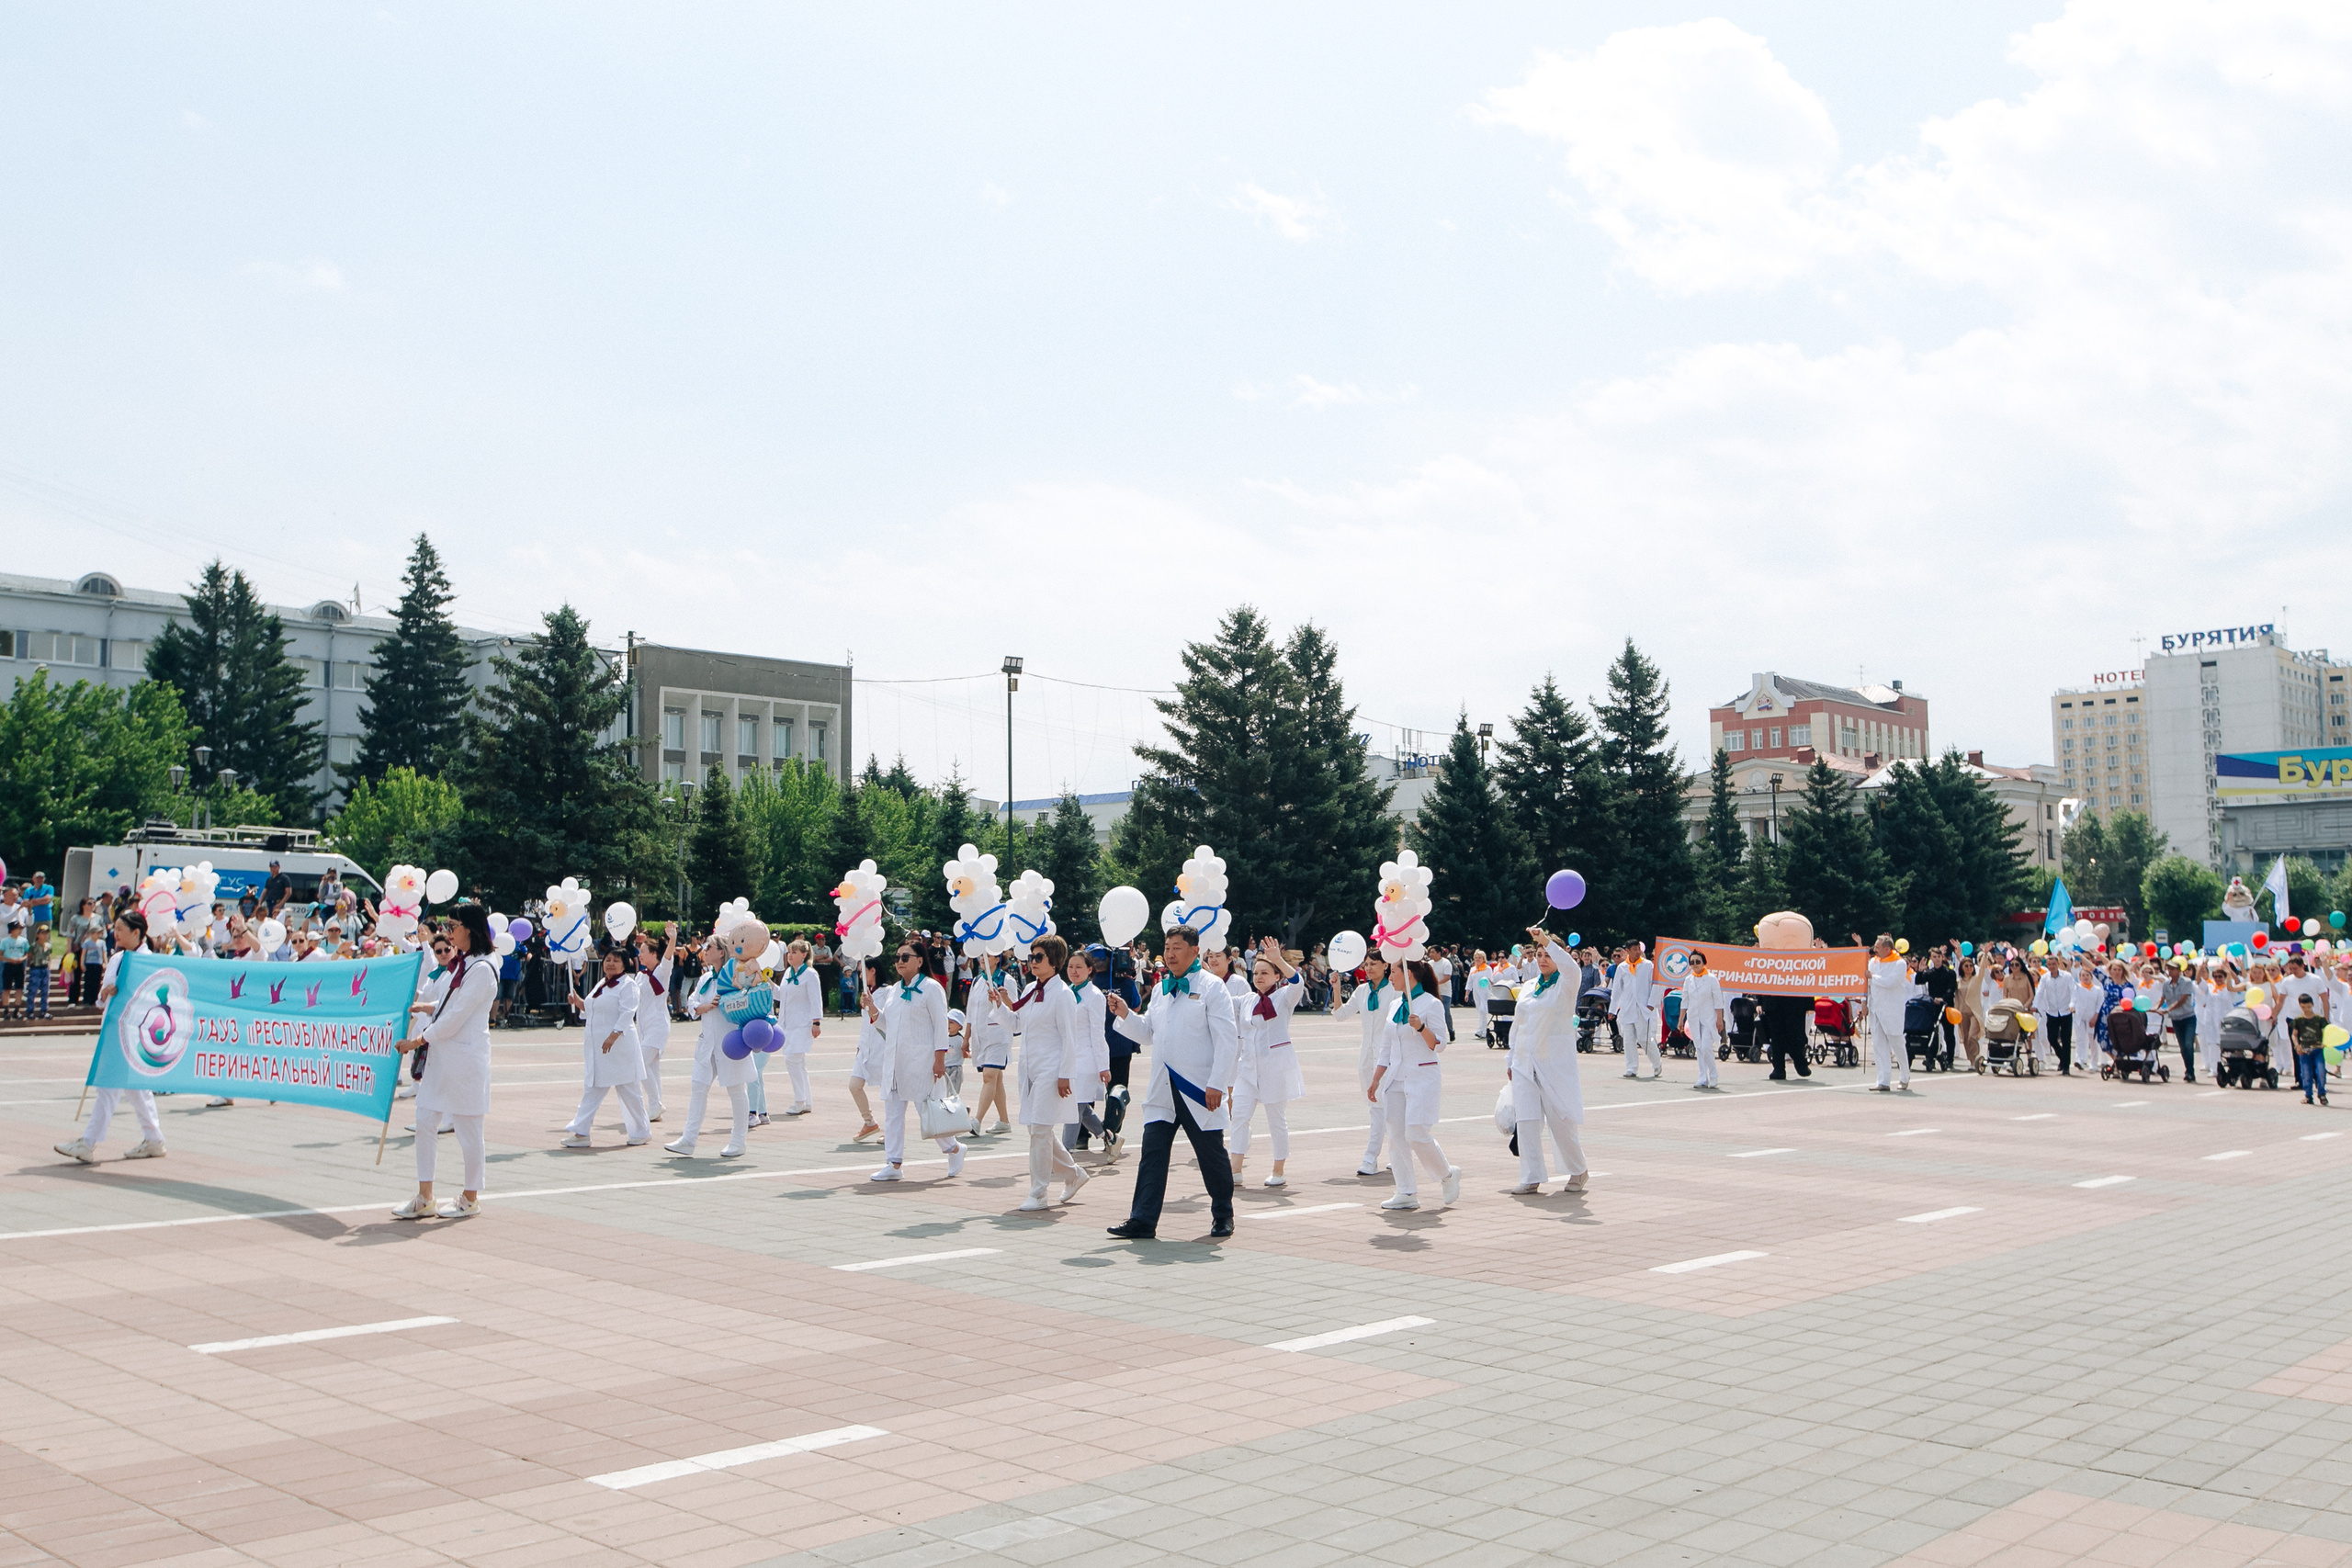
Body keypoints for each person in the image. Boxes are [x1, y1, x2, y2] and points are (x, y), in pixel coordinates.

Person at [1105, 925, 1239, 1240]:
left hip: (1198, 1088)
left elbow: (1227, 1039)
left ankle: (1223, 1213)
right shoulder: (1164, 989)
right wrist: (1125, 1014)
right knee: (1152, 1153)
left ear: (1195, 951)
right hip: (1163, 1088)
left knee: (1211, 1155)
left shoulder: (1211, 987)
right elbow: (1149, 1033)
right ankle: (1142, 1220)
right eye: (1167, 947)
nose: (1170, 954)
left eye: (1177, 947)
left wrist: (1218, 1083)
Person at [389, 904, 497, 1217]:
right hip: (442, 1057)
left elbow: (457, 1017)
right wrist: (424, 1006)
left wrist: (416, 1041)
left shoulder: (483, 969)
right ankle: (425, 1196)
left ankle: (470, 1197)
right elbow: (449, 1001)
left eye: (453, 926)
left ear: (471, 929)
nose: (448, 932)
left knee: (468, 1130)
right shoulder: (464, 964)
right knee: (424, 1122)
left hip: (465, 1060)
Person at [54, 911, 168, 1163]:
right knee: (136, 1089)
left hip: (133, 1034)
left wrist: (126, 994)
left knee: (108, 1087)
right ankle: (154, 1139)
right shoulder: (117, 958)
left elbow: (153, 1001)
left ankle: (89, 1142)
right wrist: (106, 993)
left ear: (137, 932)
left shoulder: (150, 961)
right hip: (112, 1030)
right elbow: (101, 1000)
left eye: (120, 929)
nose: (115, 934)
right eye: (114, 929)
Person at [869, 942, 967, 1182]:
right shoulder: (893, 991)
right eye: (896, 957)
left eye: (905, 956)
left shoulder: (932, 988)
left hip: (921, 1061)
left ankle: (953, 1148)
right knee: (892, 1113)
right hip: (894, 1062)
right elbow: (887, 1025)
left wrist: (940, 1059)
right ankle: (893, 1163)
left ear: (920, 960)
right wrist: (872, 1010)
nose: (899, 961)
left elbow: (940, 1027)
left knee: (927, 1112)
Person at [1367, 956, 1458, 1211]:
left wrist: (1421, 1028)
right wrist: (1376, 1079)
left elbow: (1439, 1044)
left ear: (1408, 974)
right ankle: (1406, 1191)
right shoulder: (1396, 1004)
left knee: (1416, 1133)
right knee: (1396, 1137)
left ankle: (1447, 1174)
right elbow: (1386, 1047)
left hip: (1421, 1078)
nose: (1390, 976)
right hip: (1395, 1079)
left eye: (1393, 971)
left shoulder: (1431, 1004)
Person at [1505, 928, 1589, 1193]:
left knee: (1560, 1119)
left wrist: (1547, 940)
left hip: (1553, 1064)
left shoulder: (1566, 984)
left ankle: (1578, 1170)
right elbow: (1518, 1025)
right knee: (1527, 1121)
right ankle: (1531, 1176)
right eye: (1539, 954)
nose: (1542, 959)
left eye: (1547, 954)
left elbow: (1572, 969)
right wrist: (1511, 1057)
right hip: (1523, 1063)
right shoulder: (1529, 986)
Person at [1011, 934, 1089, 1211]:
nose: (1033, 961)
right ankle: (1073, 1174)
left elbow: (1070, 1038)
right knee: (1036, 1128)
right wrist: (998, 1005)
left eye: (1039, 956)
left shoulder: (1064, 994)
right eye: (1031, 956)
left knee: (1041, 1131)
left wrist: (1065, 1074)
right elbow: (1015, 1024)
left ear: (1054, 961)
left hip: (1051, 1070)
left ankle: (1039, 1191)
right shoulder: (1029, 990)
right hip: (1029, 1069)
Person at [665, 931, 754, 1159]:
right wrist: (701, 1007)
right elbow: (694, 1000)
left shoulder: (736, 976)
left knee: (736, 1089)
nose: (704, 951)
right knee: (698, 1087)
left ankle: (738, 1140)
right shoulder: (706, 978)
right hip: (707, 1043)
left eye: (709, 948)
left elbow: (747, 999)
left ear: (721, 952)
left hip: (730, 1041)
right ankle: (688, 1139)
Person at [1229, 936, 1306, 1188]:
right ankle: (1235, 1170)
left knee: (1276, 1120)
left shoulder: (1284, 997)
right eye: (1257, 973)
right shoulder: (1247, 1001)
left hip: (1275, 1069)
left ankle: (1278, 1169)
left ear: (1276, 976)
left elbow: (1298, 982)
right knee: (1239, 1117)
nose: (1259, 977)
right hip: (1248, 1070)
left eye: (1265, 973)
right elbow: (1222, 1003)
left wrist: (1278, 959)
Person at [563, 948, 650, 1148]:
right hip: (598, 1049)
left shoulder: (628, 985)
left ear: (625, 963)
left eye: (616, 960)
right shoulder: (602, 983)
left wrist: (614, 1035)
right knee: (593, 1088)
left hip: (619, 1048)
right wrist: (579, 1002)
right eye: (608, 959)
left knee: (629, 1090)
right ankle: (581, 1132)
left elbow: (628, 1012)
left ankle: (641, 1131)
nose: (610, 963)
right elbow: (594, 1009)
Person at [1062, 946, 1114, 1156]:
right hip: (1068, 1057)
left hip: (1087, 1059)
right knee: (1081, 1106)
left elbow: (1097, 1033)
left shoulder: (1094, 996)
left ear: (1090, 969)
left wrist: (1103, 1066)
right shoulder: (1066, 991)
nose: (1074, 971)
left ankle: (1065, 1153)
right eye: (1070, 967)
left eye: (1079, 967)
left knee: (1075, 1107)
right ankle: (1109, 1137)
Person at [1352, 952, 1394, 1176]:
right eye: (1366, 964)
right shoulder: (1361, 991)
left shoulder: (1395, 991)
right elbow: (1340, 1014)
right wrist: (1337, 988)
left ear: (1385, 965)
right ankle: (1391, 1155)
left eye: (1373, 964)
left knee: (1387, 1109)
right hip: (1366, 1059)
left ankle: (1371, 1157)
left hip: (1389, 1059)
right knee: (1375, 1108)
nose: (1368, 968)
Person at [633, 923, 678, 1122]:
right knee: (652, 1069)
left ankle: (655, 1104)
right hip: (642, 1028)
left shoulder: (662, 971)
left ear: (653, 954)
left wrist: (672, 939)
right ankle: (655, 1106)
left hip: (658, 1027)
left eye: (643, 952)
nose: (639, 955)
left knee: (640, 1065)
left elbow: (668, 956)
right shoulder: (640, 976)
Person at [968, 953, 1018, 1133]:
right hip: (980, 1036)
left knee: (989, 1075)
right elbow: (970, 1012)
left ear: (997, 959)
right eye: (981, 955)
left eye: (988, 955)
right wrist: (966, 1038)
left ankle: (976, 1121)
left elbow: (1015, 1008)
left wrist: (1002, 998)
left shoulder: (1006, 980)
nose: (982, 958)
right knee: (996, 1079)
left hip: (999, 1034)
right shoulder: (977, 981)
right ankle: (1004, 1122)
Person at [844, 954, 890, 1142]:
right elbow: (865, 1025)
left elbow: (886, 1020)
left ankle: (891, 1129)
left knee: (887, 1091)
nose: (861, 976)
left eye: (863, 972)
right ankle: (869, 1122)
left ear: (873, 971)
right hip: (865, 1048)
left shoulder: (888, 992)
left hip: (883, 1047)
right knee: (854, 1085)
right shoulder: (866, 993)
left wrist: (871, 1005)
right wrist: (860, 1045)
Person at [774, 938, 821, 1115]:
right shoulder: (787, 974)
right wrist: (768, 983)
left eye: (794, 952)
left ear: (804, 955)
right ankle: (806, 1101)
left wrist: (816, 1022)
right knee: (798, 1063)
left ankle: (799, 1100)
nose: (790, 955)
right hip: (788, 1023)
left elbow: (816, 999)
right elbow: (781, 994)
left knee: (792, 1060)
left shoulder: (810, 974)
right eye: (788, 952)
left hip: (803, 1024)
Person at [1865, 935, 1911, 1092]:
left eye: (1877, 947)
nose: (1875, 949)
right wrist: (1864, 1003)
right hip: (1876, 1008)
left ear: (1887, 948)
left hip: (1892, 1010)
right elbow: (1868, 985)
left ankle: (1905, 1075)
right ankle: (1883, 1080)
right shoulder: (1873, 962)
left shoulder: (1899, 964)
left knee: (1897, 1043)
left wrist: (1873, 977)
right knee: (1878, 1045)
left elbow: (1891, 982)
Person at [1611, 941, 1660, 1080]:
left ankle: (1657, 1063)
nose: (1638, 952)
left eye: (1639, 949)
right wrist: (1613, 1009)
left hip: (1643, 1008)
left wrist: (1651, 1003)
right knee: (1628, 1039)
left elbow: (1656, 985)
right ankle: (1631, 1067)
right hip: (1627, 1007)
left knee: (1644, 1038)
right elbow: (1617, 989)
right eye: (1634, 949)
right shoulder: (1622, 967)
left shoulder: (1648, 966)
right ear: (1627, 951)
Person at [1682, 949, 1726, 1090]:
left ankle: (1713, 1075)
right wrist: (1681, 1019)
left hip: (1708, 1018)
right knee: (1699, 1048)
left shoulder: (1712, 979)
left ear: (1703, 963)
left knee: (1707, 1046)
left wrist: (1719, 1019)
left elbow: (1718, 1001)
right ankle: (1702, 1077)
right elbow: (1685, 1000)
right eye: (1692, 962)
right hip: (1694, 1017)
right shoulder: (1688, 980)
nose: (1695, 965)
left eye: (1698, 962)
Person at [2291, 992, 2331, 1105]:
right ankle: (2308, 1095)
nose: (2306, 1009)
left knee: (2321, 1071)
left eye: (2308, 1007)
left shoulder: (2319, 1019)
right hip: (2304, 1050)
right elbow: (2294, 1034)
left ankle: (2322, 1093)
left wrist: (2325, 1042)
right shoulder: (2298, 1020)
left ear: (2313, 1005)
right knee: (2306, 1073)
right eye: (2303, 1007)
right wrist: (2297, 1045)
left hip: (2318, 1049)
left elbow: (2326, 1032)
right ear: (2300, 1006)